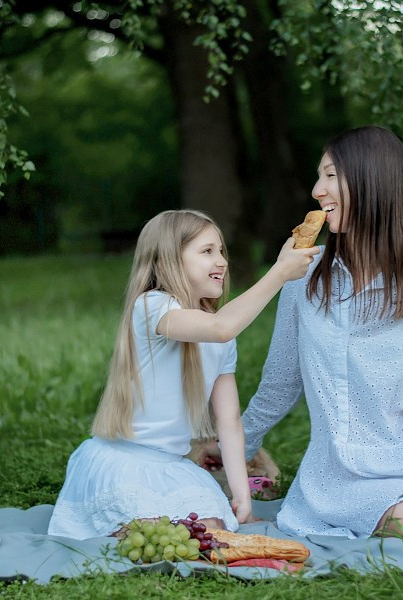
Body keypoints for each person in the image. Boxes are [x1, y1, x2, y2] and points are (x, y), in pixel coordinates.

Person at [205, 126, 403, 539]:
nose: (317, 190)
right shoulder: (302, 277)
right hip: (340, 472)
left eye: (330, 176)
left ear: (373, 182)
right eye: (319, 177)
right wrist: (231, 447)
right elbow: (279, 385)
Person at [47, 209, 320, 539]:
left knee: (210, 530)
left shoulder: (221, 339)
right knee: (155, 532)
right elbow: (221, 326)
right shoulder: (151, 307)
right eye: (207, 251)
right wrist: (279, 273)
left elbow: (229, 421)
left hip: (171, 467)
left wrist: (242, 498)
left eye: (221, 251)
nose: (221, 261)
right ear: (169, 261)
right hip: (122, 464)